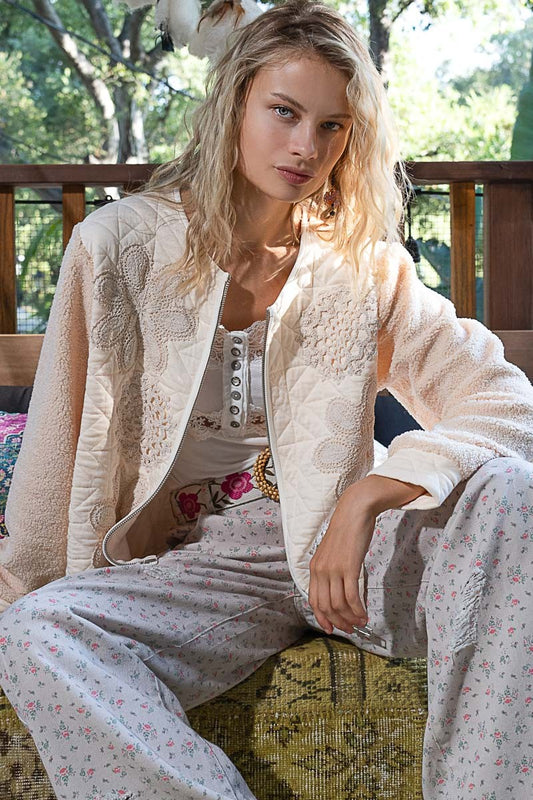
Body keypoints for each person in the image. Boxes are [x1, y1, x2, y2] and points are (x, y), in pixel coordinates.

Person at [0, 1, 532, 798]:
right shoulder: (114, 246)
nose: (305, 147)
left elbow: (505, 403)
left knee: (511, 490)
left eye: (331, 126)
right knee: (39, 630)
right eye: (284, 112)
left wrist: (366, 496)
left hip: (350, 549)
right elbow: (55, 447)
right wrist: (23, 590)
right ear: (234, 104)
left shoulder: (363, 264)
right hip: (205, 558)